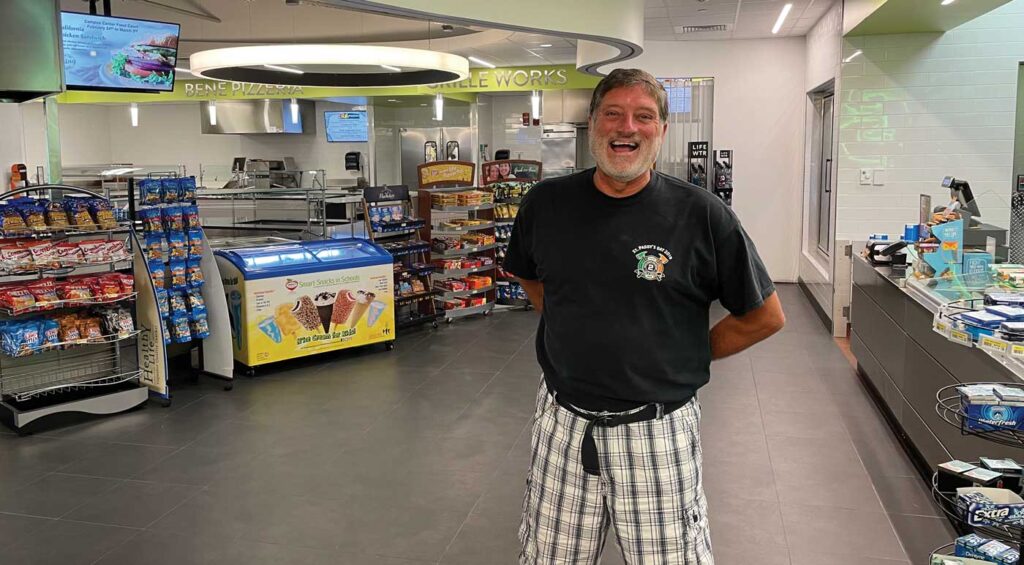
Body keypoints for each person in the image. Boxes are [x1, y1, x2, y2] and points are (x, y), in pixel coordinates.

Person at [503, 68, 785, 565]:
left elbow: (765, 315)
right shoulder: (546, 204)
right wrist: (568, 326)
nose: (626, 127)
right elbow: (529, 275)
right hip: (562, 426)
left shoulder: (702, 215)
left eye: (643, 116)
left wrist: (689, 354)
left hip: (656, 432)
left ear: (662, 130)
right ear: (593, 123)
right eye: (612, 113)